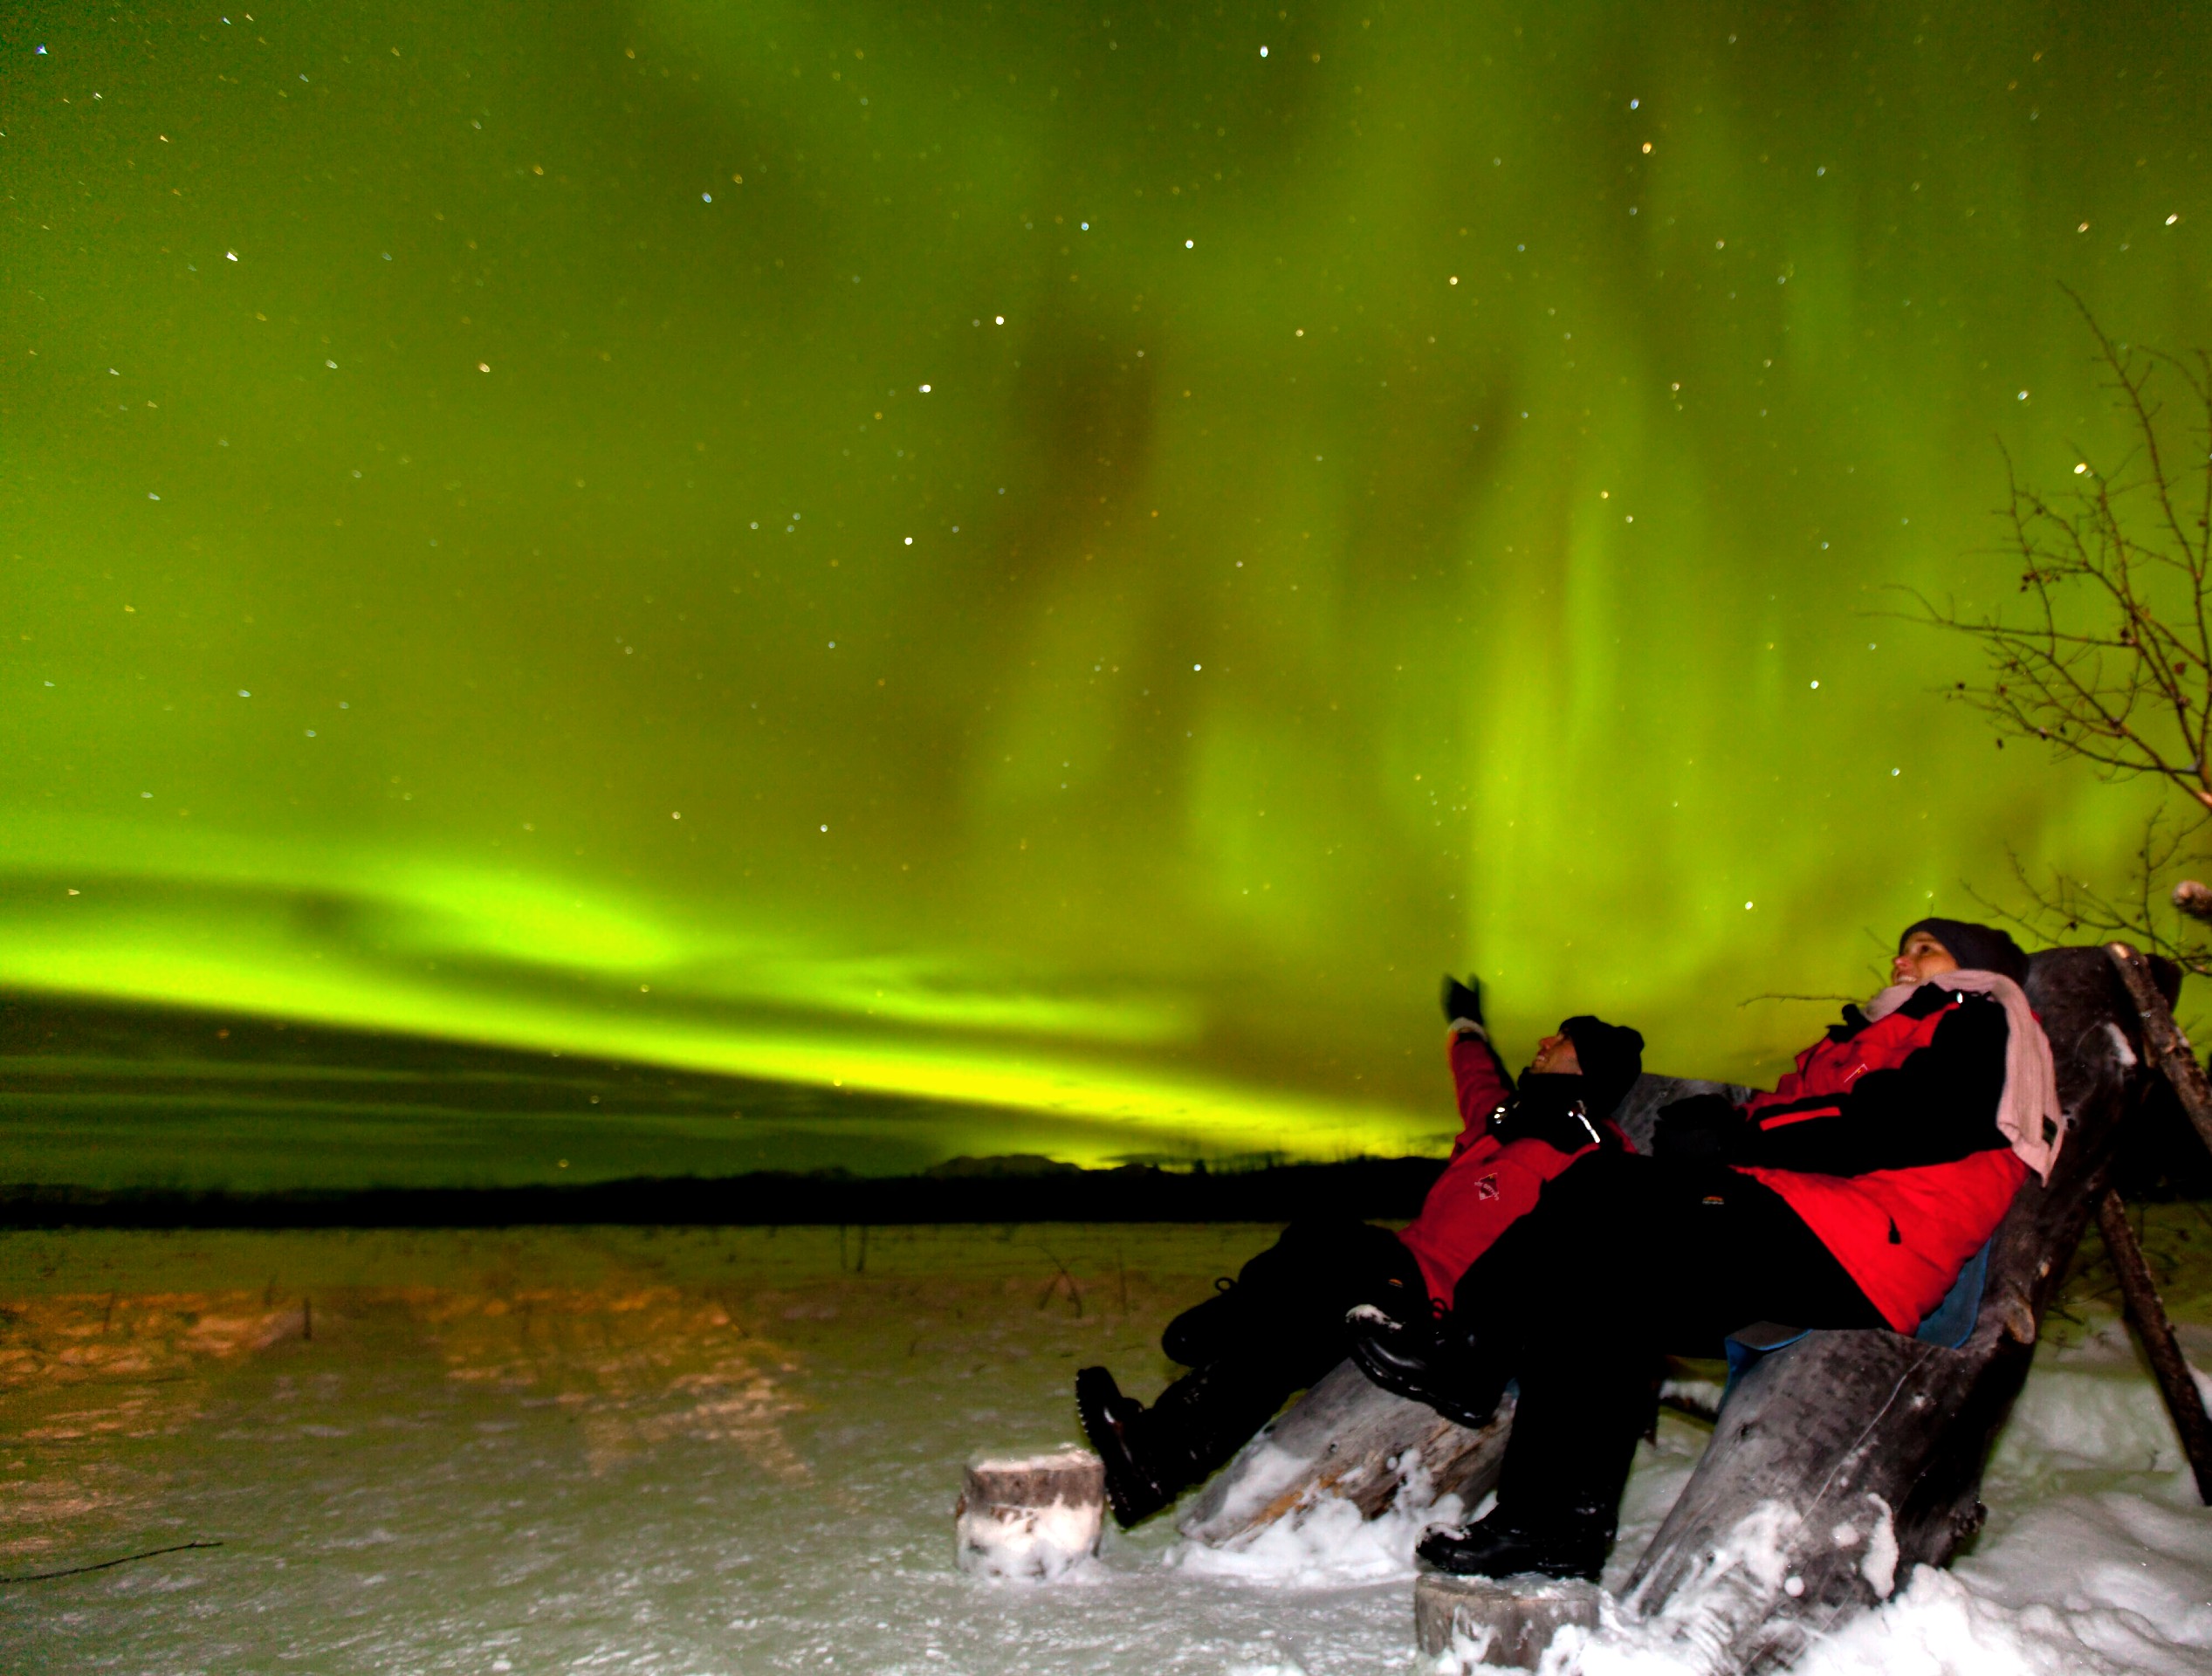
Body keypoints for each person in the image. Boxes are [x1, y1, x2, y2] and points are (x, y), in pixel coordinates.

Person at [1357, 917, 2058, 1583]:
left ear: (1975, 964)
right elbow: (1801, 1122)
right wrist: (1734, 1133)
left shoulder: (1981, 1018)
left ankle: (1474, 1352)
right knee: (1602, 1279)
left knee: (1601, 1190)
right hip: (1808, 1229)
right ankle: (1551, 1526)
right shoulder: (1861, 1040)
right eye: (1902, 950)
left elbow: (1909, 1119)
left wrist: (1738, 1134)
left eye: (1925, 948)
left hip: (1872, 1247)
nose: (1902, 962)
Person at [1073, 981, 1646, 1528]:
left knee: (1334, 1248)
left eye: (1560, 1040)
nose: (1543, 1043)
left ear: (1587, 1065)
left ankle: (1217, 1329)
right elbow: (1476, 1080)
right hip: (1399, 1275)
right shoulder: (1508, 1123)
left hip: (1446, 1315)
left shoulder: (1593, 1156)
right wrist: (1465, 1022)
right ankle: (1153, 1460)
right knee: (1287, 1331)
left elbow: (1588, 1266)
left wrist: (1496, 1347)